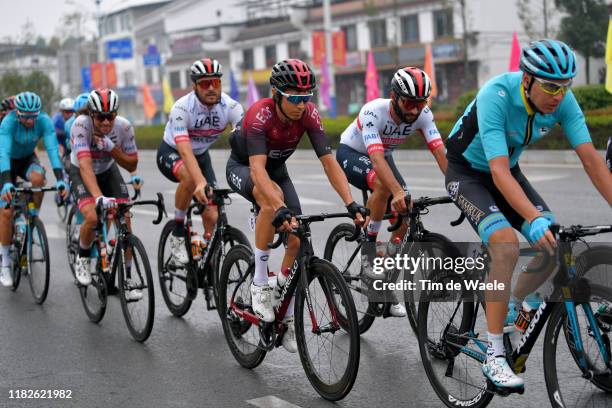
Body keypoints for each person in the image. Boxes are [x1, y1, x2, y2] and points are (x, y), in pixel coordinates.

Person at [445, 39, 612, 390]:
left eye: (566, 86)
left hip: (508, 172)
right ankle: (494, 356)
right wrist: (530, 219)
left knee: (555, 243)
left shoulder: (563, 101)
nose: (559, 94)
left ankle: (513, 303)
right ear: (527, 79)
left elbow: (592, 161)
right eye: (551, 86)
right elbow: (499, 171)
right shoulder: (498, 95)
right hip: (468, 173)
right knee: (504, 244)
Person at [226, 59, 367, 353]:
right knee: (271, 198)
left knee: (298, 234)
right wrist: (278, 207)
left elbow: (329, 163)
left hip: (277, 170)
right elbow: (257, 171)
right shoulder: (259, 115)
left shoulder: (309, 115)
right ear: (277, 94)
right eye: (295, 98)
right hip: (245, 168)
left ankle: (286, 317)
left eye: (307, 97)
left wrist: (351, 203)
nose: (302, 104)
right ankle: (260, 284)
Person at [336, 66, 447, 317]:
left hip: (382, 157)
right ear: (394, 96)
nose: (414, 110)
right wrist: (396, 191)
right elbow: (376, 160)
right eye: (408, 103)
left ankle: (384, 275)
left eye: (420, 103)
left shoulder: (423, 114)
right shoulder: (373, 111)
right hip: (353, 153)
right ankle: (370, 248)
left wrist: (458, 187)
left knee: (405, 210)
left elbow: (441, 153)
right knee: (386, 186)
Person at [157, 58, 243, 265]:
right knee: (189, 179)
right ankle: (178, 233)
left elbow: (247, 144)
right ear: (194, 85)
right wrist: (200, 182)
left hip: (202, 156)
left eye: (216, 82)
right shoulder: (182, 108)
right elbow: (185, 151)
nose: (212, 88)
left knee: (212, 215)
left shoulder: (231, 107)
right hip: (172, 152)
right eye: (205, 84)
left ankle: (206, 254)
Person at [70, 88, 141, 300]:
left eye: (110, 116)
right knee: (92, 216)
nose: (106, 122)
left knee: (125, 219)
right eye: (100, 117)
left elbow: (131, 164)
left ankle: (127, 278)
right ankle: (82, 258)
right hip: (83, 172)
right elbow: (85, 166)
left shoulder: (124, 127)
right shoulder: (80, 125)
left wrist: (111, 147)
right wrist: (99, 197)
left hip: (109, 170)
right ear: (91, 115)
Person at [0, 91, 68, 287]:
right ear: (17, 113)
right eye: (26, 116)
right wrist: (6, 182)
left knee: (39, 179)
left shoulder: (44, 121)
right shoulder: (8, 123)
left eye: (34, 116)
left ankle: (32, 218)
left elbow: (53, 150)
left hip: (27, 159)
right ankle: (4, 262)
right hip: (7, 164)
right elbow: (3, 153)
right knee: (6, 211)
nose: (30, 120)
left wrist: (61, 179)